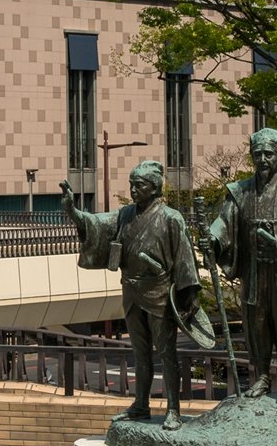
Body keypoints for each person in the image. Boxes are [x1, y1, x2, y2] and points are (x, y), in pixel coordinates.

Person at [61, 160, 200, 431]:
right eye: (131, 185)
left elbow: (185, 259)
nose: (133, 190)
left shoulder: (172, 218)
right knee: (140, 353)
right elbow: (95, 224)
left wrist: (190, 295)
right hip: (132, 292)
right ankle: (140, 405)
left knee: (167, 353)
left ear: (154, 188)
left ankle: (173, 408)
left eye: (139, 185)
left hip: (160, 293)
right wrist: (72, 210)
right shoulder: (125, 215)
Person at [208, 128, 277, 398]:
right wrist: (212, 239)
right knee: (257, 322)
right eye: (257, 154)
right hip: (255, 272)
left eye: (268, 154)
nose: (262, 159)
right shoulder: (240, 192)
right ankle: (260, 375)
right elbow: (223, 222)